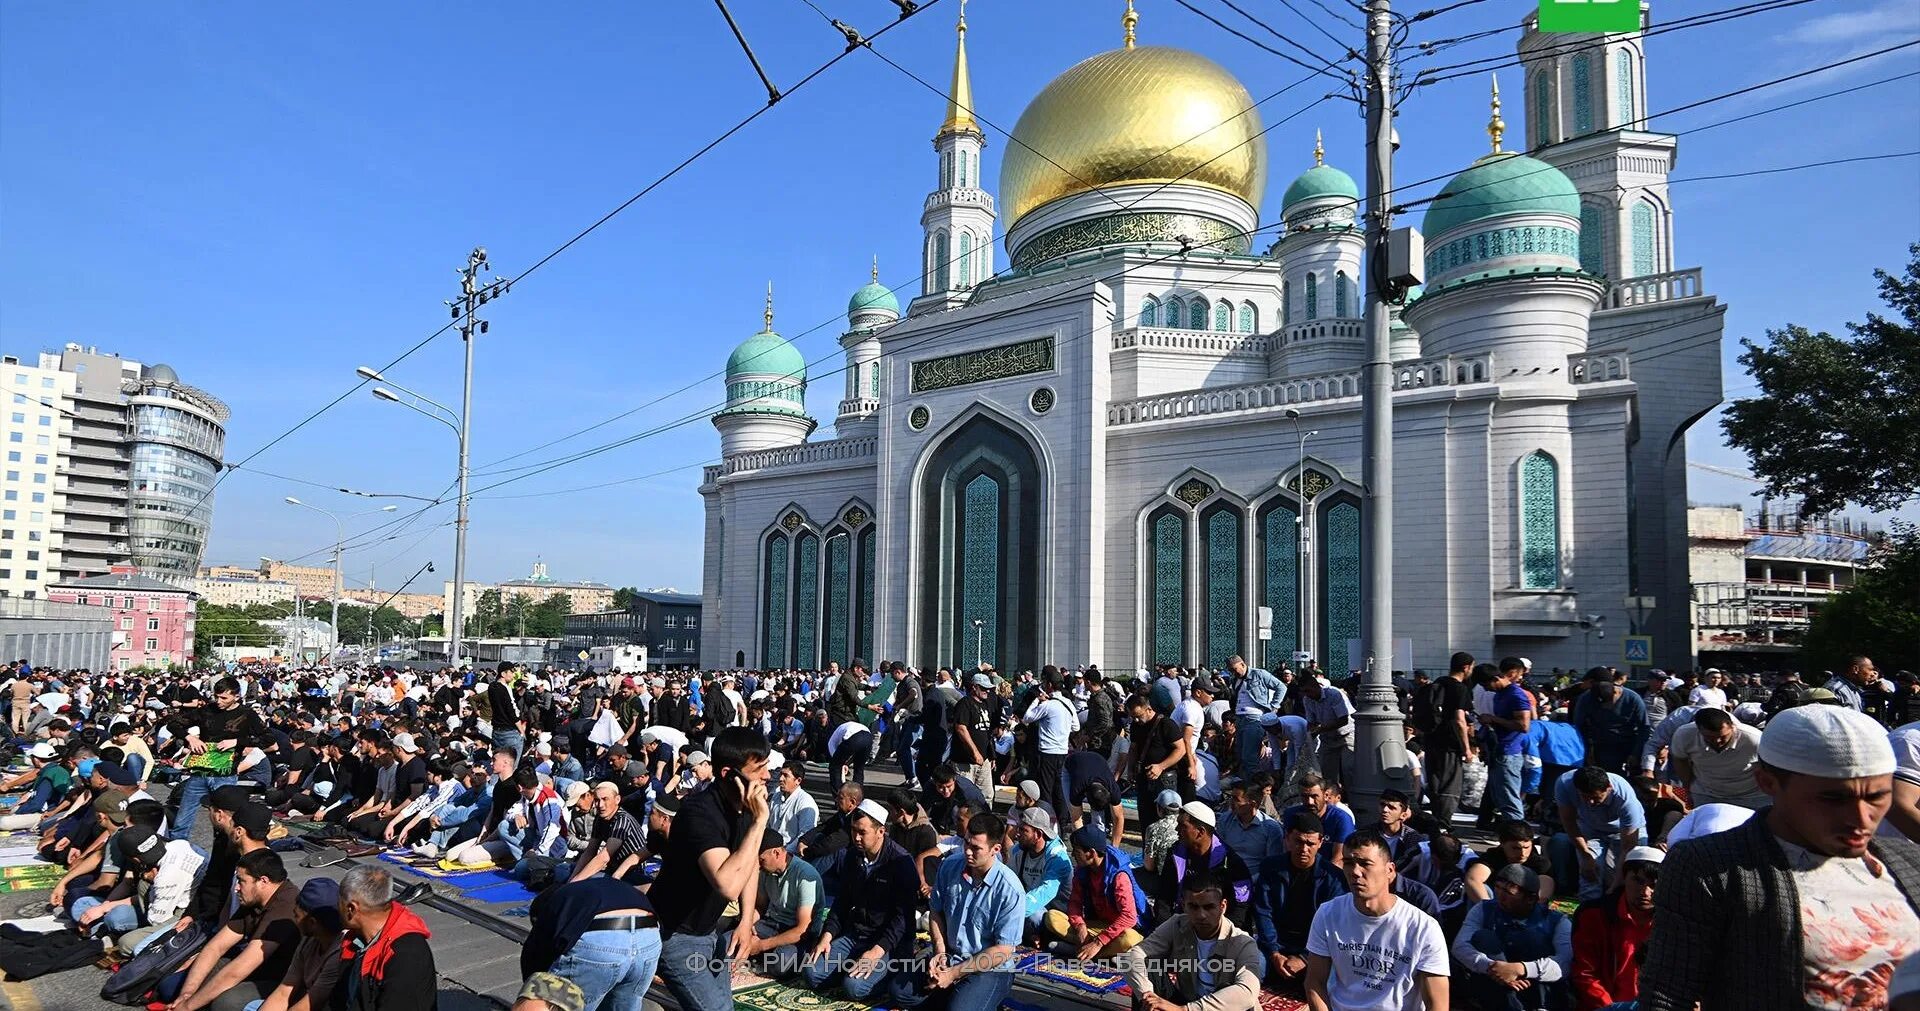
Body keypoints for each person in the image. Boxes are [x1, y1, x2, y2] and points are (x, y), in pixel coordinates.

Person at [1641, 704, 1920, 1011]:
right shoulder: (1711, 869)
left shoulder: (1907, 860)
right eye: (1833, 798)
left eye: (1876, 796)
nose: (1861, 818)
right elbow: (1667, 997)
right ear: (1768, 782)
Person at [650, 726, 772, 1011]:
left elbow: (750, 864)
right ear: (730, 774)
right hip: (674, 934)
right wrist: (760, 821)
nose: (767, 777)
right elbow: (728, 885)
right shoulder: (699, 814)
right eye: (759, 770)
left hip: (707, 932)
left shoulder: (743, 808)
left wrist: (745, 922)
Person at [889, 812, 1025, 1011]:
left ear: (995, 849)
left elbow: (1003, 950)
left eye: (976, 848)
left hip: (989, 968)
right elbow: (936, 912)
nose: (968, 852)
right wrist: (940, 952)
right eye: (967, 844)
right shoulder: (950, 866)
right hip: (952, 956)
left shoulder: (1009, 889)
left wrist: (954, 974)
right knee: (899, 991)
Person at [1304, 831, 1450, 1011]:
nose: (1355, 872)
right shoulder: (1328, 913)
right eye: (1349, 863)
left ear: (1389, 871)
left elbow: (1438, 1004)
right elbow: (1314, 982)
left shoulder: (1423, 927)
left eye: (1365, 864)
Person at [801, 798, 919, 1000]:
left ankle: (892, 969)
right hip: (857, 934)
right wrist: (827, 936)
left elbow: (903, 919)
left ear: (881, 831)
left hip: (889, 942)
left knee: (854, 988)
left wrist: (876, 951)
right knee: (811, 973)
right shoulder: (852, 857)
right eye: (854, 830)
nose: (856, 837)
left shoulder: (901, 862)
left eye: (862, 832)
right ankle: (850, 965)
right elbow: (843, 901)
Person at [167, 849, 302, 1011]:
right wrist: (187, 994)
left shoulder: (285, 906)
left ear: (263, 881)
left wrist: (188, 1006)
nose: (236, 888)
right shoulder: (254, 898)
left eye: (241, 880)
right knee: (171, 987)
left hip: (282, 980)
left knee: (226, 1003)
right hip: (259, 969)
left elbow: (241, 968)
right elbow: (215, 947)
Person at [1123, 868, 1263, 1011]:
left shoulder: (1243, 943)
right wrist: (1148, 996)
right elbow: (1132, 957)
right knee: (1144, 968)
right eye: (1194, 907)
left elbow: (1247, 993)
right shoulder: (1177, 924)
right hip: (1185, 1001)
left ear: (1223, 907)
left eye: (1209, 907)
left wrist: (1185, 1009)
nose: (1201, 915)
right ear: (1184, 906)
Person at [522, 874, 661, 1011]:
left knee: (554, 1001)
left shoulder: (552, 904)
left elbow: (534, 956)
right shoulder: (586, 890)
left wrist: (532, 993)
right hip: (649, 937)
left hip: (601, 940)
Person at [1451, 862, 1572, 1011]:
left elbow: (1564, 963)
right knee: (1484, 937)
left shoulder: (1558, 921)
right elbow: (1460, 946)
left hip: (1537, 988)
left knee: (1532, 938)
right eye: (1498, 888)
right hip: (1495, 985)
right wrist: (1494, 969)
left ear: (1530, 898)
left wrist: (1520, 969)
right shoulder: (1483, 909)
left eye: (1508, 893)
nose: (1500, 897)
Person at [1251, 810, 1347, 993]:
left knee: (1332, 982)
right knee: (1248, 968)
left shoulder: (1334, 879)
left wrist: (1304, 958)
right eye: (1299, 842)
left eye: (1310, 843)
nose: (1304, 849)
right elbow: (1263, 912)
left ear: (1320, 843)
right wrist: (1274, 953)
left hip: (1316, 950)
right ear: (1287, 839)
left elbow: (1332, 927)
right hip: (1276, 943)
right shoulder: (1271, 867)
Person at [170, 677, 266, 841]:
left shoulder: (246, 714)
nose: (219, 701)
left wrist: (237, 742)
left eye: (224, 698)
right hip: (201, 770)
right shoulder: (208, 710)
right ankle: (176, 850)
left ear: (236, 696)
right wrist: (190, 738)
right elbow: (173, 724)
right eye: (216, 697)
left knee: (226, 822)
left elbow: (267, 738)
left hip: (225, 774)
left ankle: (224, 856)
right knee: (183, 818)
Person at [1569, 846, 1660, 1011]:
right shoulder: (1594, 915)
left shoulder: (1672, 924)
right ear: (1624, 878)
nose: (1645, 892)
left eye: (1653, 885)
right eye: (1638, 881)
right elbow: (1585, 972)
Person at [335, 864, 436, 1011]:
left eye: (339, 902)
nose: (336, 907)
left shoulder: (406, 955)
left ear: (351, 909)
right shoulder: (355, 939)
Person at [1040, 825, 1147, 961]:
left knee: (1130, 940)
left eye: (1076, 851)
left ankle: (1080, 951)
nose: (1073, 855)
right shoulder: (1082, 870)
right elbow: (1074, 903)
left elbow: (1129, 916)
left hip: (1120, 929)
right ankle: (1102, 953)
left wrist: (1098, 942)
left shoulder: (1119, 876)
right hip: (1096, 926)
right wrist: (1080, 926)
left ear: (1091, 853)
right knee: (1052, 917)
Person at [1548, 767, 1645, 901]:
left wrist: (1615, 886)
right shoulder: (1565, 784)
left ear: (1609, 788)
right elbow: (1569, 822)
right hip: (1589, 828)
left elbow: (1628, 848)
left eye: (1595, 797)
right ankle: (1588, 912)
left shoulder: (1625, 797)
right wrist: (1586, 856)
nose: (1590, 802)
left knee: (1628, 876)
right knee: (1589, 877)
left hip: (1623, 830)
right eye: (1585, 797)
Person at [251, 878, 348, 1011]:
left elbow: (310, 1003)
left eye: (297, 916)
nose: (295, 921)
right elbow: (284, 991)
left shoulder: (339, 953)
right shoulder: (309, 941)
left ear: (313, 923)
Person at [738, 828, 819, 977]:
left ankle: (758, 953)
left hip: (797, 934)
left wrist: (761, 945)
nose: (759, 865)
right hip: (771, 924)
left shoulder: (805, 875)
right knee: (729, 940)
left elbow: (802, 929)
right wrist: (747, 924)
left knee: (780, 963)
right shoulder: (765, 871)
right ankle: (756, 952)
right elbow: (761, 907)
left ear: (776, 853)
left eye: (762, 860)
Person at [1669, 706, 1768, 809]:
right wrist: (1687, 785)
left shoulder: (1754, 738)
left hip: (1751, 795)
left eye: (1723, 736)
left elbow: (1767, 768)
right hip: (1706, 793)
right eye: (1709, 737)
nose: (1717, 741)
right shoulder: (1684, 734)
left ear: (1732, 727)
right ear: (1698, 730)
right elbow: (1680, 759)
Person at [1426, 653, 1478, 828]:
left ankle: (1435, 819)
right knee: (1450, 785)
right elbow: (1459, 720)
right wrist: (1467, 748)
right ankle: (1444, 823)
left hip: (1431, 739)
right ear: (1466, 667)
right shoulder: (1459, 688)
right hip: (1450, 743)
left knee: (1434, 782)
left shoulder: (1437, 683)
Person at [1481, 659, 1535, 823]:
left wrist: (1493, 719)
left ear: (1495, 679)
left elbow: (1524, 725)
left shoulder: (1516, 694)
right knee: (1502, 798)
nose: (1486, 689)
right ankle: (1510, 832)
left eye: (1486, 685)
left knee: (1509, 798)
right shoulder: (1500, 695)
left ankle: (1517, 833)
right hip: (1500, 750)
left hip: (1510, 752)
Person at [1022, 670, 1079, 826]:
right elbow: (1076, 726)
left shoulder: (1047, 705)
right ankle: (1064, 821)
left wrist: (1037, 701)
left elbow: (1027, 717)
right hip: (1062, 751)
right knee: (1060, 788)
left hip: (1047, 752)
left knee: (1046, 789)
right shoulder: (1068, 703)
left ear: (1049, 685)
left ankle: (1046, 822)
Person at [1005, 806, 1072, 935]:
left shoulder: (1056, 857)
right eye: (1018, 828)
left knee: (1034, 918)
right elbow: (1006, 882)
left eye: (1024, 830)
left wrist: (1009, 912)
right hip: (1029, 904)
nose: (1017, 834)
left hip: (1056, 911)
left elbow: (1045, 892)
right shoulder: (1018, 851)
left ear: (1038, 834)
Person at [567, 781, 648, 884]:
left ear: (617, 799)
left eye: (605, 799)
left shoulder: (622, 820)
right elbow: (590, 851)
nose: (600, 805)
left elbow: (604, 857)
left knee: (589, 882)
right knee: (566, 870)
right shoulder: (600, 818)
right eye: (597, 800)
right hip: (613, 868)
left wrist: (575, 882)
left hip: (631, 873)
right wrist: (572, 879)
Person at [1130, 693, 1187, 827]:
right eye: (1133, 717)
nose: (1136, 720)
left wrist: (1161, 766)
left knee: (1165, 823)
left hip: (1164, 779)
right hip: (1143, 778)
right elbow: (1133, 748)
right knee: (1145, 820)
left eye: (1138, 716)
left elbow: (1180, 749)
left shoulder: (1166, 724)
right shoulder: (1135, 726)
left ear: (1149, 709)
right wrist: (1130, 768)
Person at [1466, 820, 1556, 902]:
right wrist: (1489, 908)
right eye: (1515, 848)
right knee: (1478, 889)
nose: (1522, 853)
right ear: (1502, 844)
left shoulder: (1539, 862)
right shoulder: (1492, 856)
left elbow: (1544, 887)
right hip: (1493, 903)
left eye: (1526, 847)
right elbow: (1473, 879)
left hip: (1526, 905)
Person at [1229, 656, 1286, 779]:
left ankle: (1252, 786)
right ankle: (1244, 784)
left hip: (1254, 719)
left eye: (1235, 669)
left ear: (1243, 665)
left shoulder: (1259, 674)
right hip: (1239, 719)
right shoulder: (1235, 680)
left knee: (1249, 757)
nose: (1234, 673)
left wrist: (1274, 708)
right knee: (1240, 754)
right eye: (1231, 670)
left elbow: (1281, 687)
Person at [1296, 674, 1355, 791]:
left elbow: (1343, 720)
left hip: (1346, 736)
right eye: (1303, 692)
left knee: (1349, 769)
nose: (1306, 694)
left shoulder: (1334, 694)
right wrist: (1310, 734)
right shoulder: (1307, 700)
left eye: (1308, 690)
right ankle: (1331, 800)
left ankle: (1353, 799)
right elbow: (1311, 722)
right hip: (1327, 738)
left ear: (1316, 686)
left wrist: (1320, 729)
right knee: (1327, 773)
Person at [769, 762, 819, 852]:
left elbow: (805, 835)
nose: (780, 779)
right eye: (781, 774)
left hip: (790, 854)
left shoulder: (805, 802)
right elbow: (768, 824)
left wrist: (785, 852)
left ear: (798, 781)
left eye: (785, 776)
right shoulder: (776, 797)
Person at [827, 718, 873, 792]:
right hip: (868, 738)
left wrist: (842, 764)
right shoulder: (846, 727)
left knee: (834, 766)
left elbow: (835, 757)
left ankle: (838, 796)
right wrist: (846, 764)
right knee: (859, 768)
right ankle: (857, 796)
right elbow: (853, 755)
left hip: (855, 737)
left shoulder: (833, 737)